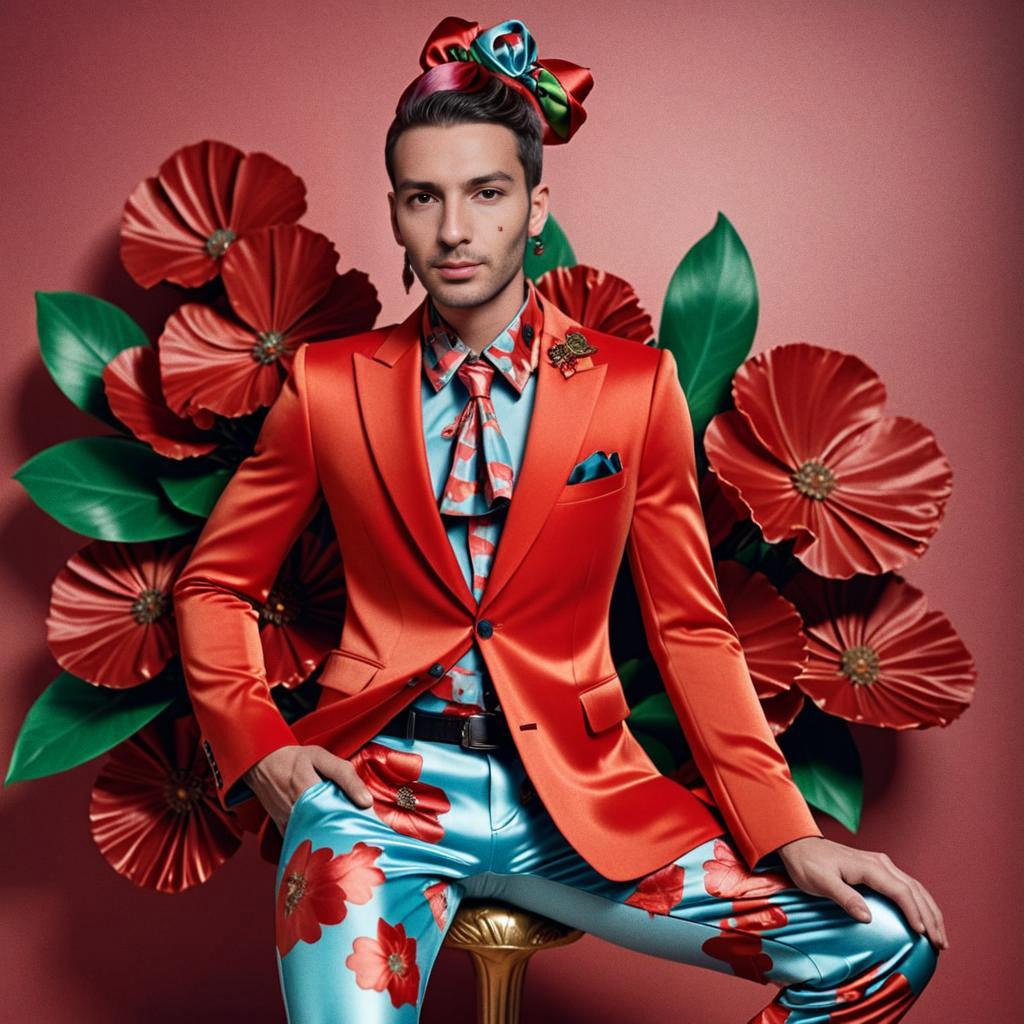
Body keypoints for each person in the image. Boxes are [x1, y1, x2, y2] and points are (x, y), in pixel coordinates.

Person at [173, 16, 944, 1023]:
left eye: (486, 194)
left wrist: (784, 829)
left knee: (884, 947)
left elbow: (690, 628)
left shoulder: (633, 388)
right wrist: (262, 744)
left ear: (536, 207)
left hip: (579, 806)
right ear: (398, 216)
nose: (456, 230)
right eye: (424, 198)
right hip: (380, 804)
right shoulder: (327, 385)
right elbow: (213, 582)